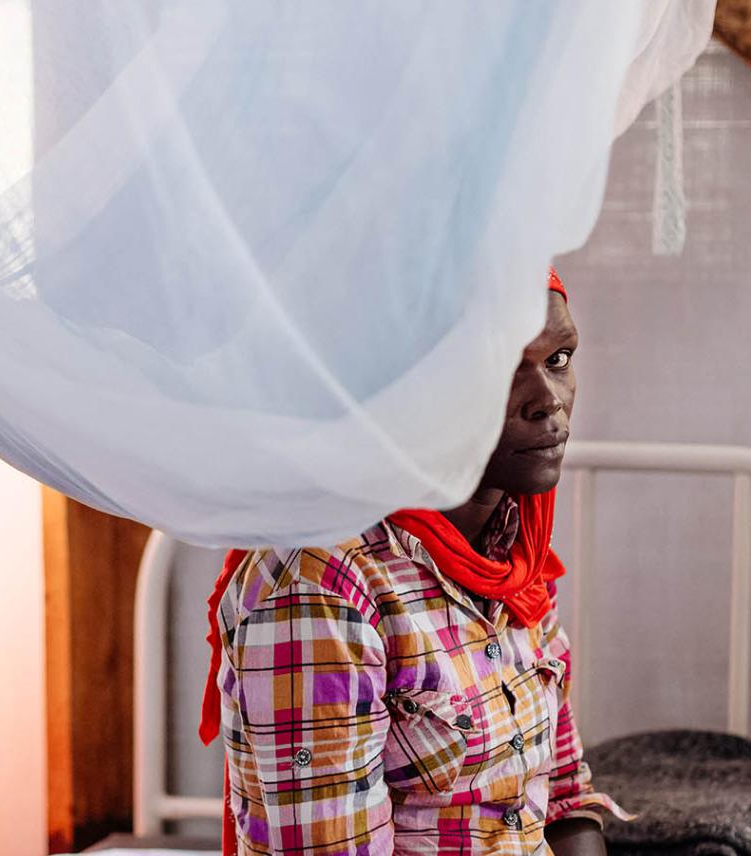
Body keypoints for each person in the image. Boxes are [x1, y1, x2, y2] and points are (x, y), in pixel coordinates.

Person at [202, 270, 620, 855]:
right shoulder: (323, 584)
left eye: (559, 359)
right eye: (500, 367)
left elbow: (565, 798)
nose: (547, 401)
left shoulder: (513, 555)